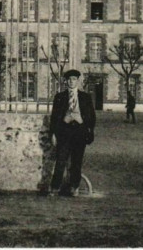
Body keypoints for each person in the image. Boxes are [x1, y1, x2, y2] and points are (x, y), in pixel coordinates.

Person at [49, 69, 96, 197]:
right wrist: (54, 132)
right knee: (61, 160)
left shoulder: (85, 97)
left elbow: (92, 117)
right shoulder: (60, 97)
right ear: (66, 81)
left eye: (74, 79)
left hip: (79, 133)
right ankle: (55, 187)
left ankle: (74, 187)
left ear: (78, 81)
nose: (71, 82)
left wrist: (83, 122)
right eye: (69, 79)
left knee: (76, 162)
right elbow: (54, 117)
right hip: (64, 133)